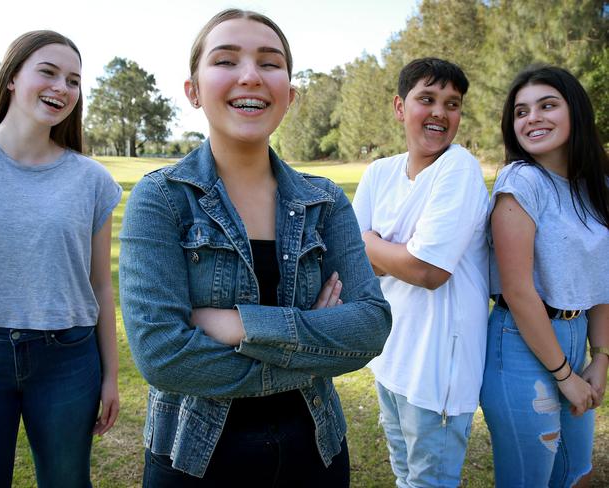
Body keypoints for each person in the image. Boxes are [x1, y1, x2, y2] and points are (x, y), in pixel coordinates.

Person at [119, 8, 391, 487]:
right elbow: (162, 355)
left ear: (290, 91)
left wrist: (236, 324)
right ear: (194, 91)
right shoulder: (162, 197)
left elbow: (370, 326)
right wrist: (313, 346)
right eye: (226, 61)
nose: (250, 76)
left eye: (270, 63)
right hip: (192, 460)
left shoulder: (324, 201)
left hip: (316, 453)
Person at [0, 31, 121, 487]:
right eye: (47, 72)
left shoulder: (92, 180)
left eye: (73, 80)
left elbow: (101, 286)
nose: (61, 88)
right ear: (12, 77)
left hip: (67, 358)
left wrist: (111, 377)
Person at [352, 58, 489, 487]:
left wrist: (372, 244)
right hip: (391, 358)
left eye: (452, 104)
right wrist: (390, 255)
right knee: (403, 474)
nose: (440, 113)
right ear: (399, 106)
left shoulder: (458, 168)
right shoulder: (380, 172)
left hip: (438, 370)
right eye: (426, 99)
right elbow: (353, 266)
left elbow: (429, 271)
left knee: (429, 482)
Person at [480, 65, 609, 487]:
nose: (532, 118)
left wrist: (601, 356)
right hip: (521, 343)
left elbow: (603, 278)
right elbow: (518, 291)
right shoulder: (521, 182)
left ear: (575, 111)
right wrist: (565, 376)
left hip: (577, 335)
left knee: (577, 475)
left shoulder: (596, 186)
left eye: (547, 105)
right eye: (521, 111)